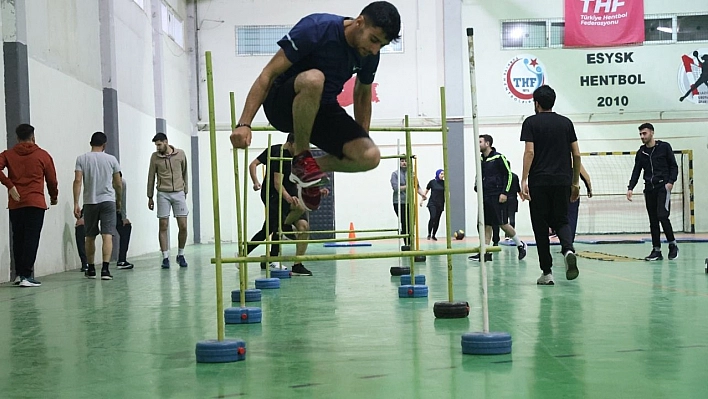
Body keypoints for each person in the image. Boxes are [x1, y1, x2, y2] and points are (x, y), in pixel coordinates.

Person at [229, 2, 401, 212]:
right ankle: (302, 156)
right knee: (314, 79)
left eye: (381, 46)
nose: (374, 49)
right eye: (373, 40)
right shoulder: (316, 28)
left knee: (369, 156)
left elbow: (363, 92)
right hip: (281, 103)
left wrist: (360, 137)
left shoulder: (370, 54)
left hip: (322, 108)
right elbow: (268, 74)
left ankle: (308, 169)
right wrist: (244, 123)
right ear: (359, 22)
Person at [521, 85, 581, 285]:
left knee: (540, 227)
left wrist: (524, 179)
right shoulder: (566, 123)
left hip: (539, 181)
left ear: (536, 103)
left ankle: (547, 273)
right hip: (562, 180)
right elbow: (577, 154)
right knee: (562, 220)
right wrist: (575, 183)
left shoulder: (530, 123)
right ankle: (568, 249)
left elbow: (530, 152)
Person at [247, 133, 325, 276]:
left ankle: (297, 264)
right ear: (290, 143)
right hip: (274, 195)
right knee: (270, 228)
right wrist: (256, 182)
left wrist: (318, 190)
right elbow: (277, 183)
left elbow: (304, 178)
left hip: (290, 194)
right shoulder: (278, 153)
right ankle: (244, 253)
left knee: (303, 227)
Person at [0, 124, 58, 287]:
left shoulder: (8, 154)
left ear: (17, 138)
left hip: (16, 203)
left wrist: (10, 185)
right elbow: (51, 179)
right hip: (35, 203)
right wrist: (54, 196)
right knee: (31, 238)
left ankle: (19, 274)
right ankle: (26, 275)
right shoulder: (43, 155)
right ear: (33, 137)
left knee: (18, 238)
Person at [469, 135, 527, 262]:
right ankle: (486, 252)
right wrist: (476, 185)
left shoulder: (499, 158)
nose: (478, 144)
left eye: (480, 142)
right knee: (486, 225)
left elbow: (509, 175)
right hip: (485, 196)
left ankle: (520, 245)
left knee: (503, 224)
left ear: (487, 143)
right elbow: (479, 175)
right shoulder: (481, 160)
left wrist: (504, 192)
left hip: (497, 196)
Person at [73, 132, 122, 280]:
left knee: (90, 236)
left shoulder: (82, 159)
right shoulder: (111, 159)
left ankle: (91, 268)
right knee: (107, 235)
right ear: (104, 145)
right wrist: (118, 200)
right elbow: (118, 183)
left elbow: (77, 181)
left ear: (90, 143)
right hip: (108, 201)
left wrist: (76, 202)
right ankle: (106, 269)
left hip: (90, 202)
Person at [627, 123, 679, 261]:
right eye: (640, 134)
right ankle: (656, 250)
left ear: (652, 133)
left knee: (662, 215)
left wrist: (670, 182)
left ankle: (673, 245)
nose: (642, 136)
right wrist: (630, 187)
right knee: (653, 220)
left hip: (663, 187)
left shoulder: (664, 147)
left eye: (644, 133)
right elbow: (636, 171)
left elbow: (673, 166)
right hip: (649, 190)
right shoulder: (641, 153)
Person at [75, 172, 133, 271]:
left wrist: (124, 217)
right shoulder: (101, 181)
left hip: (112, 209)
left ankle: (122, 260)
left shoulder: (122, 183)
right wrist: (83, 217)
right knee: (80, 227)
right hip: (95, 205)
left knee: (126, 226)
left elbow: (122, 200)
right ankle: (86, 263)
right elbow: (89, 198)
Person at [147, 133, 189, 269]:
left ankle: (181, 254)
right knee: (163, 225)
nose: (157, 147)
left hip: (178, 192)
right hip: (163, 193)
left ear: (166, 142)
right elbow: (151, 176)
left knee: (183, 225)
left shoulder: (180, 154)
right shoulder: (155, 157)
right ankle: (165, 257)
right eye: (156, 145)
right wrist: (150, 196)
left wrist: (185, 190)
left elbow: (185, 172)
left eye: (159, 144)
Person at [391, 158, 426, 248]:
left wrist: (422, 195)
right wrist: (408, 185)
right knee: (404, 222)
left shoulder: (412, 174)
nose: (404, 163)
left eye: (406, 161)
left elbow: (417, 186)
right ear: (399, 163)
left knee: (411, 222)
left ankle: (411, 242)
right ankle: (407, 243)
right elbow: (396, 188)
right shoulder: (395, 174)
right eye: (402, 161)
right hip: (399, 202)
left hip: (410, 202)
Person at [568, 164, 592, 241]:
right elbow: (586, 177)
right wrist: (589, 189)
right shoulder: (573, 159)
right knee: (571, 217)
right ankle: (569, 243)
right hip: (571, 192)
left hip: (555, 192)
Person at [423, 169, 445, 241]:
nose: (442, 175)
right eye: (441, 174)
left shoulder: (444, 183)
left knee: (437, 219)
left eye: (443, 174)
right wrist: (422, 199)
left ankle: (434, 235)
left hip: (440, 203)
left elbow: (447, 192)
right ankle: (429, 233)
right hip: (432, 203)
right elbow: (426, 190)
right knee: (433, 217)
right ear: (437, 174)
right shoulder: (432, 182)